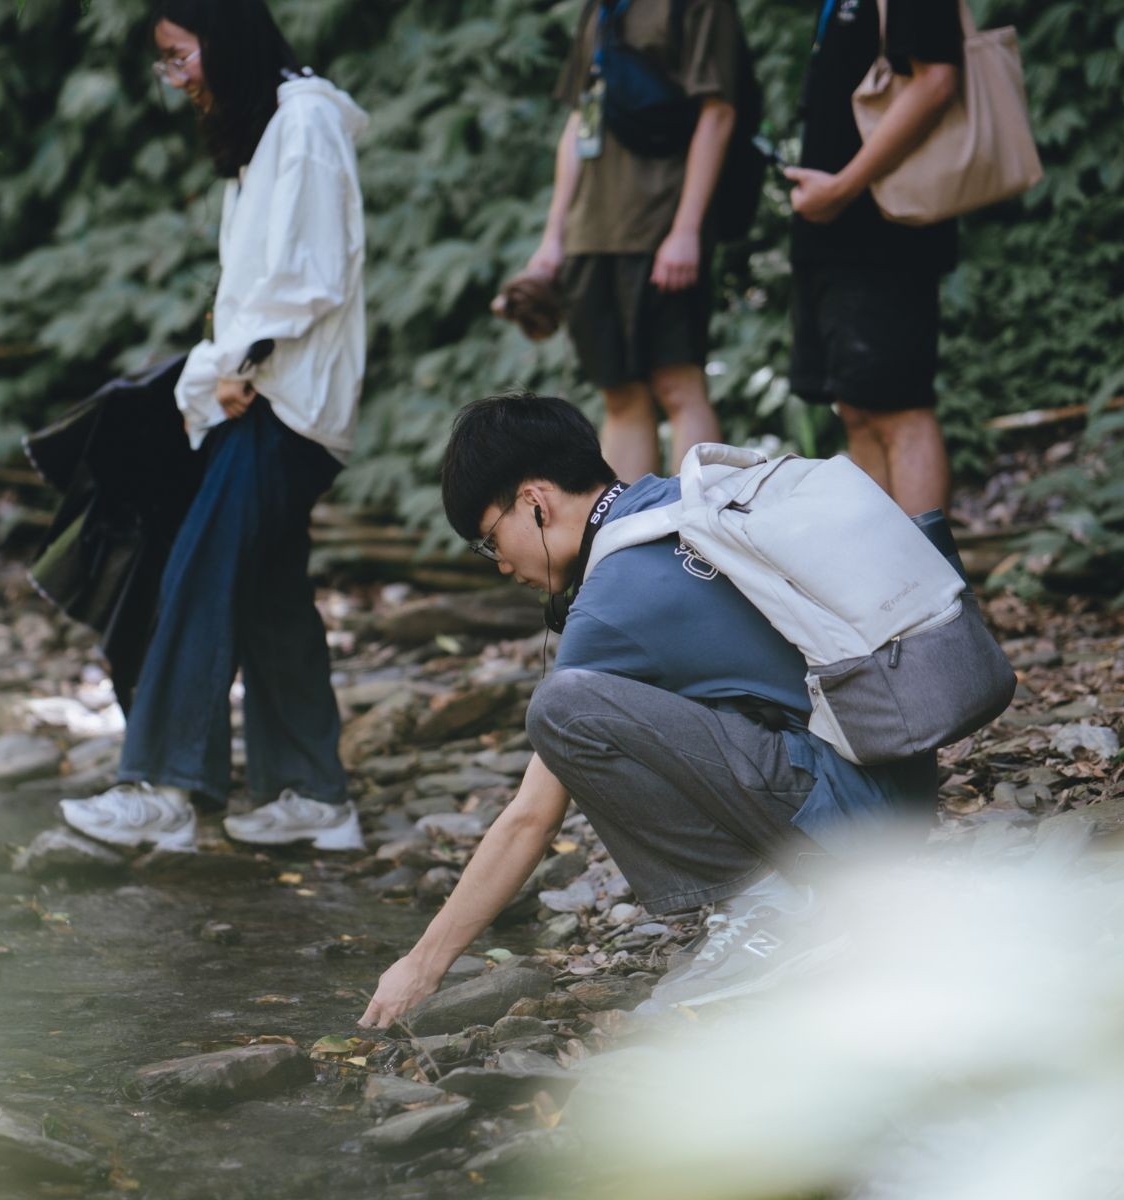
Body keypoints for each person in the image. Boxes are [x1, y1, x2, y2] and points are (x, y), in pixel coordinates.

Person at [358, 393, 938, 1028]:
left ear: (535, 501)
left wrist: (423, 965)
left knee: (562, 710)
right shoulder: (682, 503)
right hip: (902, 789)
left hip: (853, 822)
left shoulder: (612, 600)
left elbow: (531, 819)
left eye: (490, 539)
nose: (499, 564)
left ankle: (776, 909)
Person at [58, 0, 369, 854]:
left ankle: (162, 787)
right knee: (269, 595)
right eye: (164, 61)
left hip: (275, 397)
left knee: (200, 576)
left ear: (223, 41)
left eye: (179, 54)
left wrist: (227, 365)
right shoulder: (279, 124)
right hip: (271, 391)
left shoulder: (303, 124)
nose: (175, 77)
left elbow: (306, 278)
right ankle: (315, 797)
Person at [504, 0, 745, 483]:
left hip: (661, 226)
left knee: (678, 385)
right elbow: (581, 117)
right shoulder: (600, 7)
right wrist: (554, 238)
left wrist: (686, 229)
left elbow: (718, 112)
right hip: (591, 233)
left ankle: (700, 527)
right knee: (618, 393)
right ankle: (630, 528)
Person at [783, 0, 962, 516]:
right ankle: (885, 566)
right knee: (858, 411)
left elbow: (937, 80)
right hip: (835, 229)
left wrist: (844, 186)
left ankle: (930, 569)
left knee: (899, 410)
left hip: (887, 226)